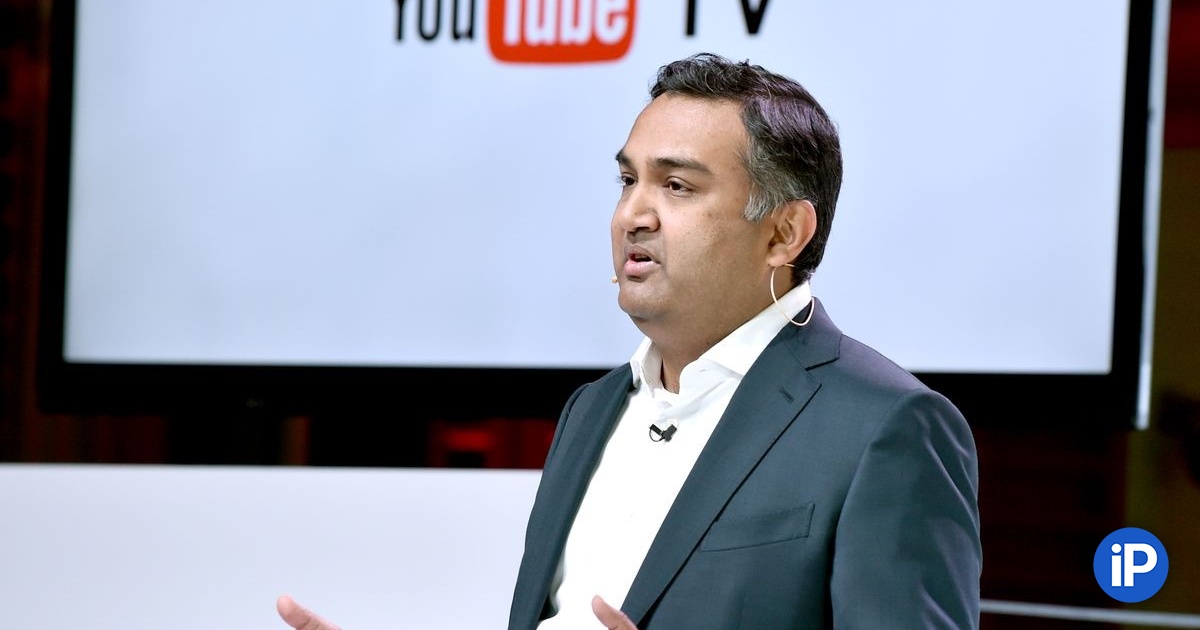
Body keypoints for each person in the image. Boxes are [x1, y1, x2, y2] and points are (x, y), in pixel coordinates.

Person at [277, 51, 981, 630]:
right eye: (627, 180)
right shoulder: (592, 409)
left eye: (676, 186)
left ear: (783, 233)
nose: (632, 215)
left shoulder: (886, 426)